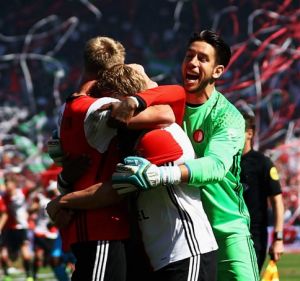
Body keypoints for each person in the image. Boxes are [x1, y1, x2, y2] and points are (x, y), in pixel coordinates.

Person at [111, 30, 260, 281]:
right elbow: (134, 79)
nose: (192, 63)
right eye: (189, 56)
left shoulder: (228, 116)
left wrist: (161, 174)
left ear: (218, 71)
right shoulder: (166, 107)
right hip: (180, 233)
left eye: (202, 58)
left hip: (225, 230)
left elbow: (215, 167)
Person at [47, 63, 218, 281]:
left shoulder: (156, 137)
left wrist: (63, 201)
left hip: (186, 251)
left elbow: (114, 190)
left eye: (109, 103)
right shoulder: (134, 134)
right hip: (160, 256)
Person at [49, 37, 177, 281]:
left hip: (91, 227)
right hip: (102, 227)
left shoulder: (66, 108)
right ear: (113, 71)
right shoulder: (99, 108)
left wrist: (64, 186)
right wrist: (137, 93)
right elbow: (166, 113)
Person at [240, 111, 284, 272]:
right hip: (227, 232)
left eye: (238, 130)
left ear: (249, 134)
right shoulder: (225, 162)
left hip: (255, 235)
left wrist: (278, 238)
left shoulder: (263, 163)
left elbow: (277, 202)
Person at [1, 172, 34, 281]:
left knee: (26, 254)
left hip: (21, 228)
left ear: (14, 183)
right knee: (4, 255)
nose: (6, 185)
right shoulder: (4, 198)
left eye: (8, 183)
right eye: (5, 183)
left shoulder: (22, 193)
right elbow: (4, 214)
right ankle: (6, 275)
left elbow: (34, 187)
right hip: (8, 229)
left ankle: (29, 276)